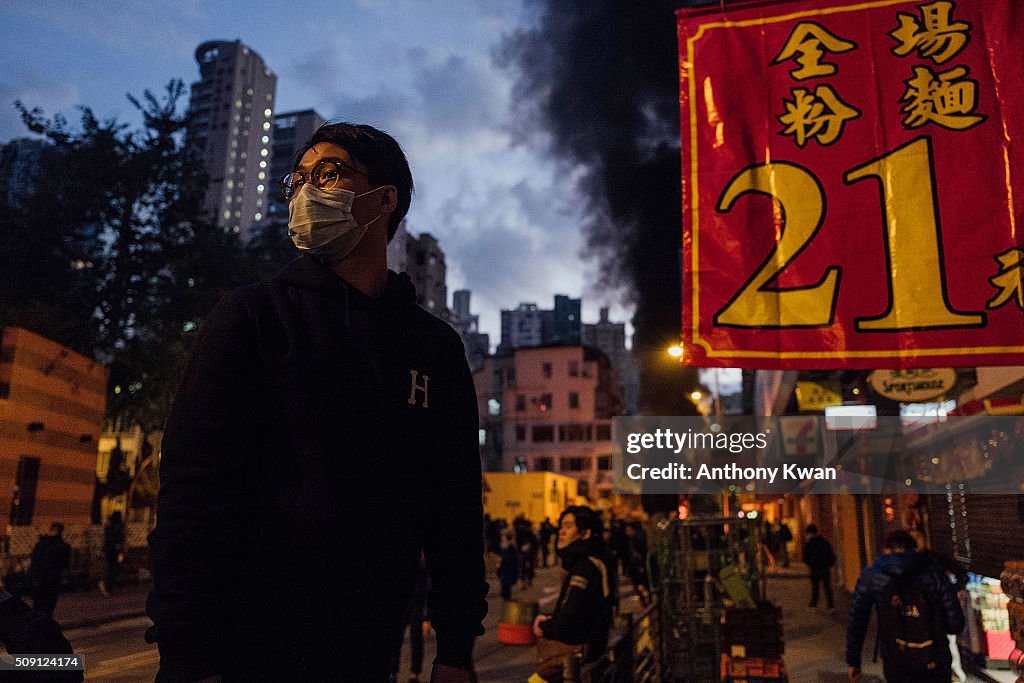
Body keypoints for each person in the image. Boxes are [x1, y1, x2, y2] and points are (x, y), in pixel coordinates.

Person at [146, 122, 488, 682]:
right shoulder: (252, 318)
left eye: (328, 174)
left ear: (384, 199)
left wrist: (455, 649)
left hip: (365, 653)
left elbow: (452, 506)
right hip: (240, 651)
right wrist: (189, 651)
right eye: (298, 179)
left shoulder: (434, 348)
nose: (307, 192)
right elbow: (192, 491)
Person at [846, 530, 965, 682]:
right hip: (935, 658)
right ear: (914, 548)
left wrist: (853, 661)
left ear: (886, 549)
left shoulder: (872, 576)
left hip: (896, 660)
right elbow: (955, 625)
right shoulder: (933, 571)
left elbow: (857, 620)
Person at [530, 506, 614, 683]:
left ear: (585, 533)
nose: (561, 531)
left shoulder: (584, 569)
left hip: (578, 658)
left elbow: (568, 622)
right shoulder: (592, 562)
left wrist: (543, 626)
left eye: (568, 526)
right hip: (591, 654)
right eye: (561, 526)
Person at [28, 522, 70, 619]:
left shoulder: (42, 542)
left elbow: (35, 559)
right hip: (53, 579)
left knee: (38, 603)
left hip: (39, 578)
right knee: (49, 604)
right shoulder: (62, 545)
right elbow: (64, 563)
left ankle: (36, 623)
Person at [802, 523, 836, 610]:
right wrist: (830, 564)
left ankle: (814, 604)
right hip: (825, 568)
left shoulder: (809, 544)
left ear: (809, 533)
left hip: (814, 568)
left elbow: (805, 557)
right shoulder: (824, 542)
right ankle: (830, 605)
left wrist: (811, 564)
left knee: (815, 587)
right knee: (827, 586)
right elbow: (831, 554)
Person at [99, 511, 125, 596]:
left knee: (111, 568)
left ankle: (107, 586)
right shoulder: (117, 527)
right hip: (114, 551)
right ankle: (107, 586)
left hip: (109, 550)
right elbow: (118, 539)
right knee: (113, 568)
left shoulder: (109, 527)